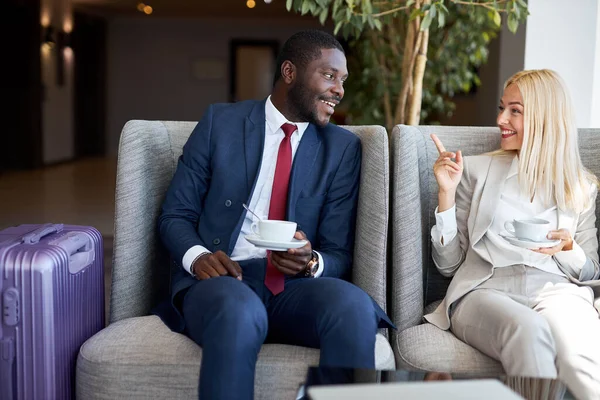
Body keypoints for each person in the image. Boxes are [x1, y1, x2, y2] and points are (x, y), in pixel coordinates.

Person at [154, 30, 393, 400]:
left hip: (294, 290)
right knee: (238, 312)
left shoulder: (342, 149)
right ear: (289, 72)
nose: (339, 90)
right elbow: (175, 215)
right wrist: (199, 258)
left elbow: (338, 252)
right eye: (329, 76)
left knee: (355, 307)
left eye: (342, 80)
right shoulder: (221, 123)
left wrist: (310, 262)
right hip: (223, 281)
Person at [426, 69, 600, 400]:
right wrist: (446, 196)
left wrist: (568, 249)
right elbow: (448, 266)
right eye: (502, 107)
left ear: (546, 119)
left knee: (581, 361)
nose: (501, 119)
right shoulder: (475, 172)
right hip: (486, 290)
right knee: (528, 330)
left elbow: (591, 270)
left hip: (558, 293)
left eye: (515, 110)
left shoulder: (581, 188)